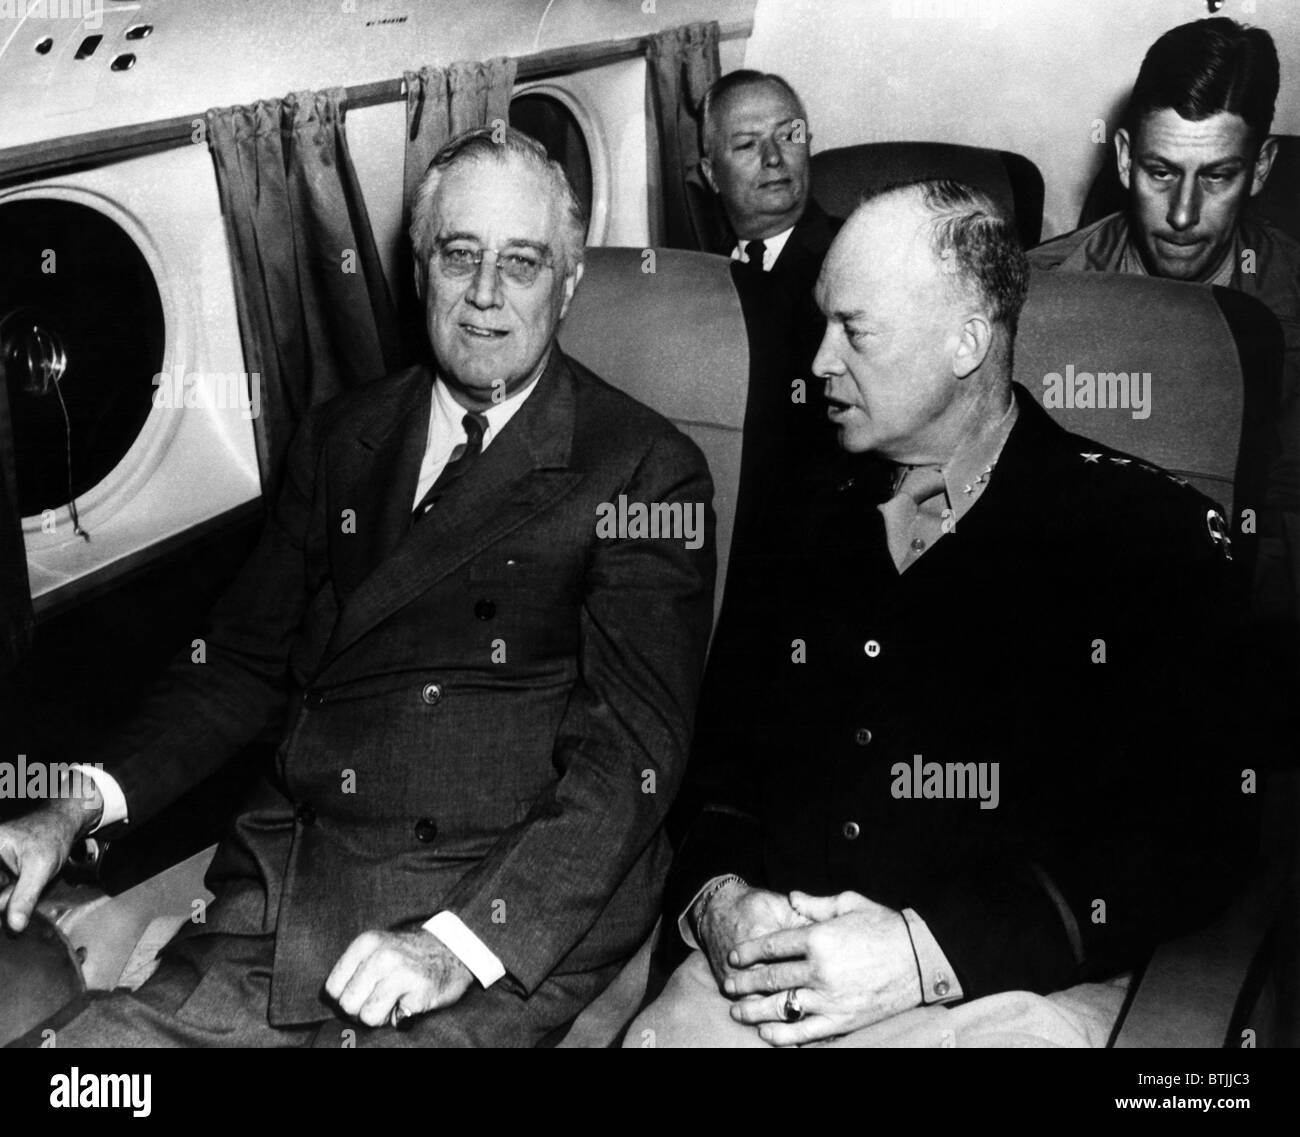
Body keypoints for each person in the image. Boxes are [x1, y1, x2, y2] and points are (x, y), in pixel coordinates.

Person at [0, 127, 715, 1048]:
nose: (486, 295)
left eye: (523, 263)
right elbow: (240, 662)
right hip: (296, 874)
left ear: (569, 282)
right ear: (420, 269)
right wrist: (75, 804)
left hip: (497, 902)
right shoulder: (343, 437)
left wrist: (457, 944)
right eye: (460, 256)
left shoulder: (644, 471)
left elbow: (631, 757)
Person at [633, 180, 1252, 1048]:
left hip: (1003, 991)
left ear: (966, 342)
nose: (818, 362)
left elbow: (1194, 836)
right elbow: (721, 759)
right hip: (775, 973)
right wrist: (723, 902)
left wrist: (923, 952)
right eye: (822, 324)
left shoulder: (1148, 537)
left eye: (856, 330)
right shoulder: (803, 509)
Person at [1029, 17, 1299, 623]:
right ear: (1124, 159)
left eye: (1217, 177)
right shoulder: (1034, 294)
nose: (1182, 214)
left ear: (1259, 169)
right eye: (1161, 172)